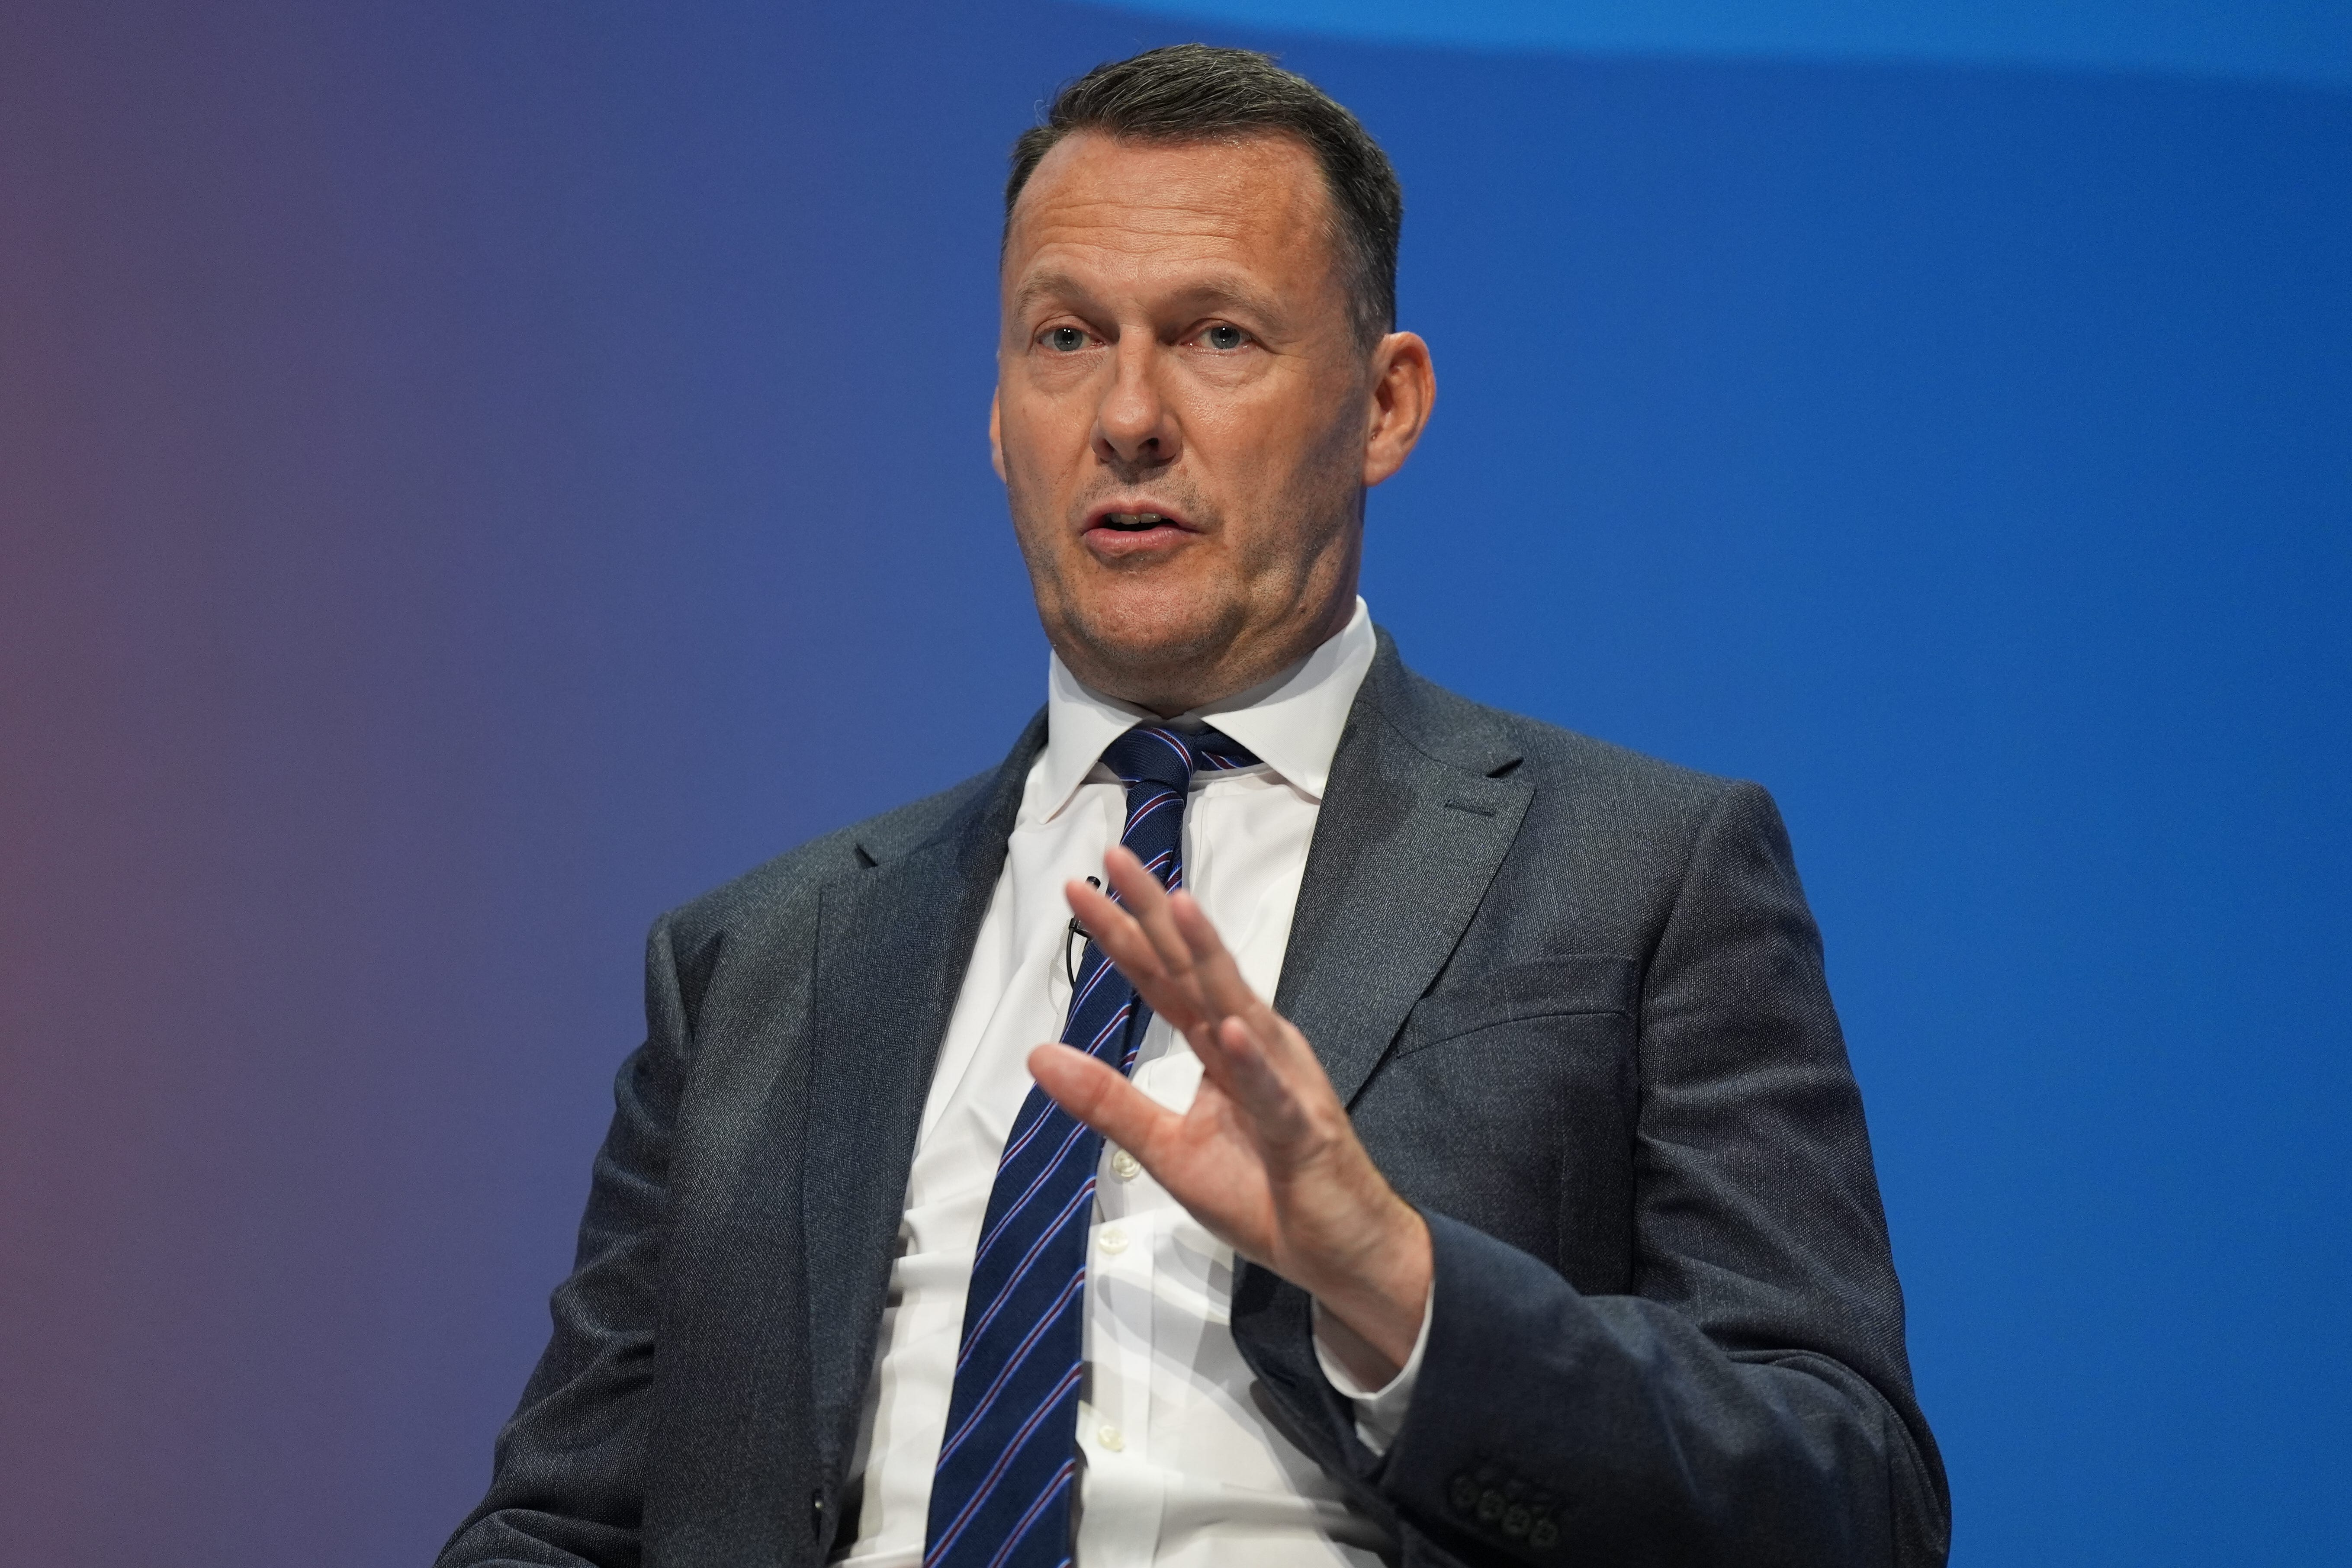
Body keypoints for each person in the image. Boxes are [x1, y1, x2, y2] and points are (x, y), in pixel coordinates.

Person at [439, 44, 1949, 1568]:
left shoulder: (1639, 873)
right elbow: (560, 1528)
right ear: (995, 416)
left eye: (1216, 336)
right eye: (1065, 338)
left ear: (1383, 404)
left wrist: (1400, 1288)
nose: (1127, 415)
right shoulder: (758, 963)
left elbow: (1852, 1498)